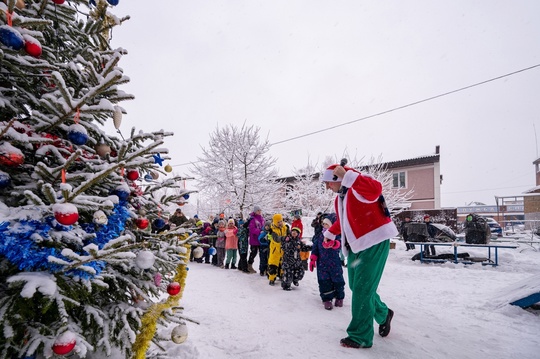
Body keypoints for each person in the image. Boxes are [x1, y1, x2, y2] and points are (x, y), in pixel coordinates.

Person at [322, 163, 398, 349]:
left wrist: (349, 175)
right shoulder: (341, 197)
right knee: (357, 287)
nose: (327, 187)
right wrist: (331, 234)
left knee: (363, 288)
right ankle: (383, 313)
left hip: (374, 241)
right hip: (357, 246)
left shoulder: (357, 187)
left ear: (338, 179)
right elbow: (344, 222)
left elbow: (376, 189)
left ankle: (360, 336)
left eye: (328, 183)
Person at [310, 214, 345, 310]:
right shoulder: (320, 236)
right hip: (322, 264)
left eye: (327, 224)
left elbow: (340, 245)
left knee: (338, 281)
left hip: (334, 263)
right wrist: (313, 258)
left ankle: (339, 297)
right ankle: (327, 299)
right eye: (323, 224)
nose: (324, 226)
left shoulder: (336, 236)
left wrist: (334, 244)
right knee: (324, 281)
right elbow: (315, 248)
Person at [267, 213, 287, 286]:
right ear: (275, 222)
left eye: (281, 221)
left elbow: (289, 234)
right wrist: (284, 238)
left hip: (283, 249)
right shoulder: (272, 230)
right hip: (275, 250)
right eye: (278, 222)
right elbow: (277, 239)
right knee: (273, 264)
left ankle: (282, 275)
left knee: (283, 263)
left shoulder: (285, 227)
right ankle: (272, 278)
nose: (280, 223)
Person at [247, 205, 265, 274]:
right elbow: (252, 229)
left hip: (261, 239)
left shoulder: (263, 219)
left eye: (260, 210)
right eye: (258, 210)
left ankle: (263, 268)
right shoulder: (252, 219)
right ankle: (249, 265)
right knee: (253, 253)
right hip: (254, 239)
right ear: (255, 211)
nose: (259, 212)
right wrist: (259, 231)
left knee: (262, 254)